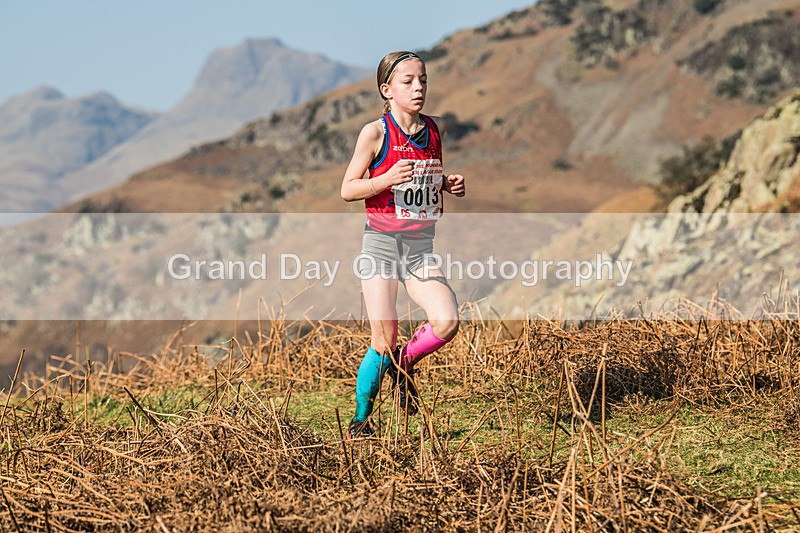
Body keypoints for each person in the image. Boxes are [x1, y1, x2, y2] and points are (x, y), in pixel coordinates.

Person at [340, 50, 466, 439]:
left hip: (419, 250)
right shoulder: (375, 133)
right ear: (387, 90)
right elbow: (348, 189)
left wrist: (446, 183)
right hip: (380, 247)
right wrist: (386, 179)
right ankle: (361, 422)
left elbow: (426, 175)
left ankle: (403, 366)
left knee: (447, 321)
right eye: (407, 81)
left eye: (423, 80)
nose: (418, 88)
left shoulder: (436, 127)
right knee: (384, 339)